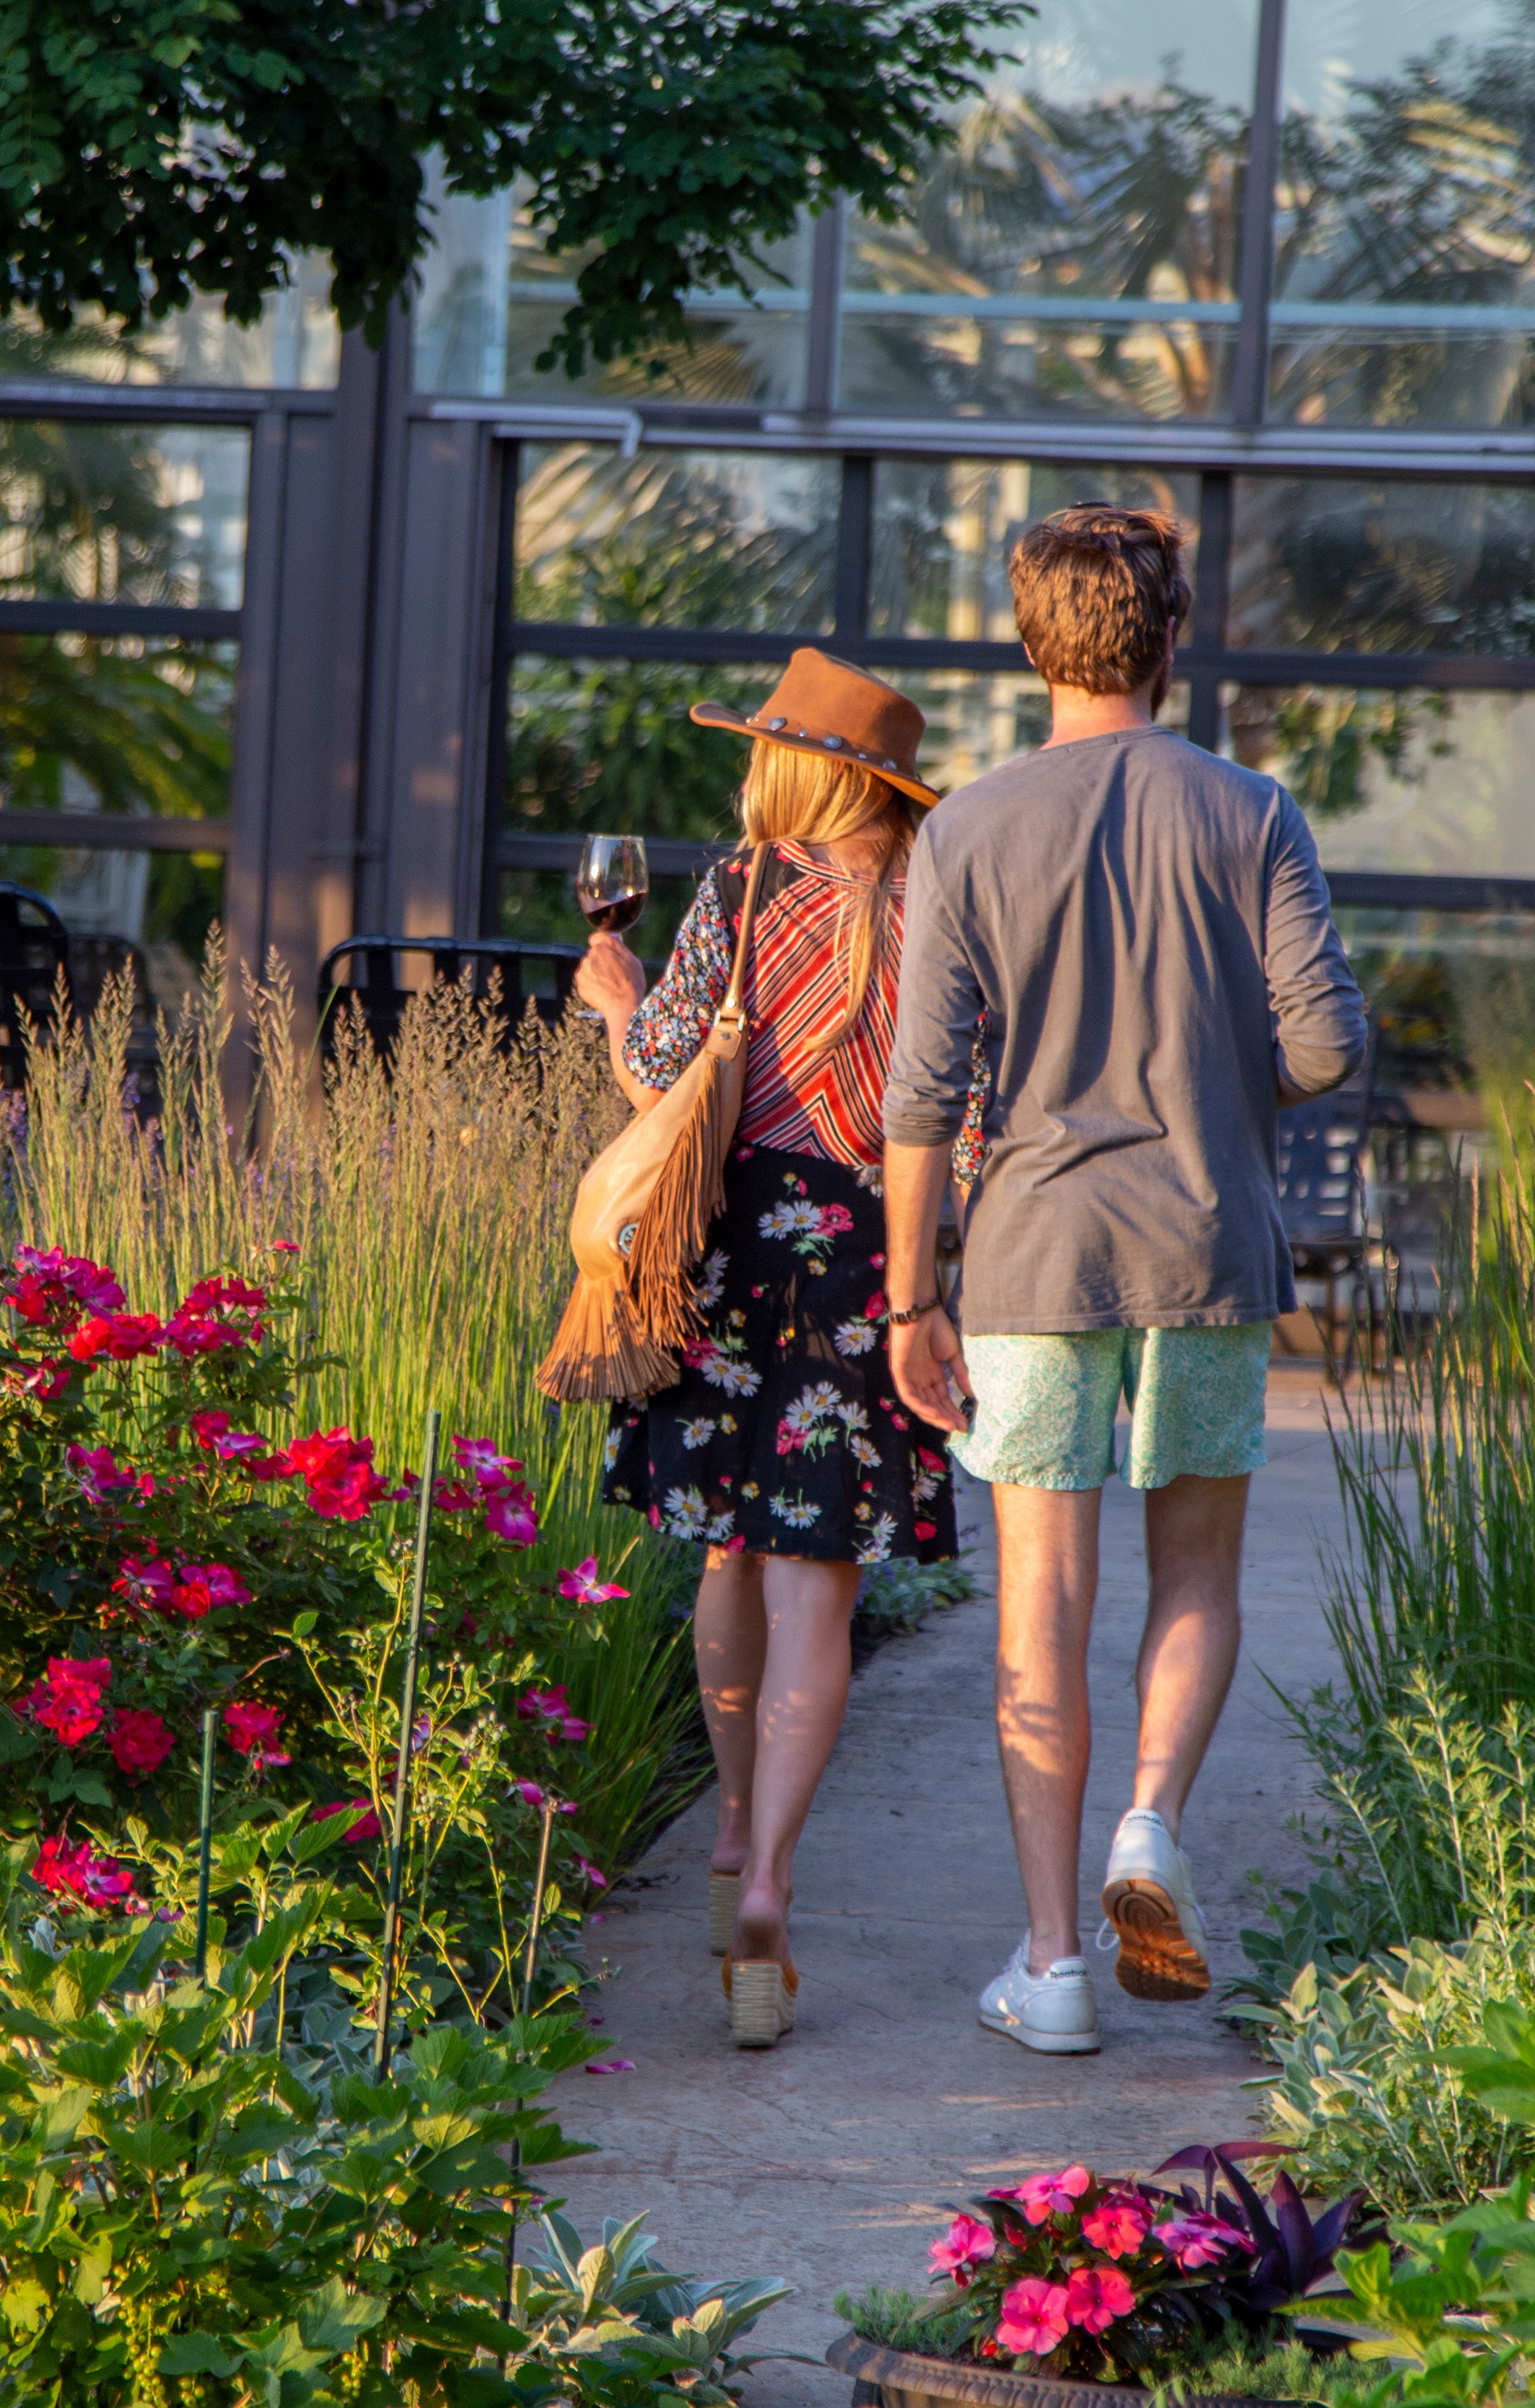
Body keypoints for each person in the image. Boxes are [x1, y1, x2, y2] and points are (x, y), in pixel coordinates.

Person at [878, 505, 1365, 2057]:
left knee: (1042, 1598)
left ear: (1032, 641)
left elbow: (923, 1100)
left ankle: (1051, 1968)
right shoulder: (1255, 811)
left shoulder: (965, 827)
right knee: (1199, 1572)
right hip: (1207, 1249)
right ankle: (1149, 1825)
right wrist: (1219, 1083)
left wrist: (911, 1300)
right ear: (1174, 636)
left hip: (1031, 1257)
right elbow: (1328, 1044)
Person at [572, 647, 989, 2052]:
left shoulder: (743, 888)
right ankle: (770, 1881)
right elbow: (971, 1119)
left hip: (734, 1246)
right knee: (821, 1595)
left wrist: (617, 994)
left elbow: (661, 1076)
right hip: (879, 1253)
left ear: (796, 765)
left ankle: (727, 1828)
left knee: (723, 1555)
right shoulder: (946, 901)